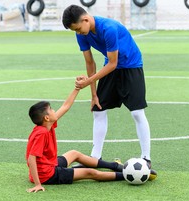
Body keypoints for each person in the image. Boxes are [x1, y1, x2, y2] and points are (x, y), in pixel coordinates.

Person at [62, 5, 157, 179]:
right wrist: (93, 94)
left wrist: (88, 81)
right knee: (98, 110)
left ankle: (146, 158)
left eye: (77, 28)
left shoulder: (109, 28)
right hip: (110, 69)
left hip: (131, 66)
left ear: (85, 19)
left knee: (137, 113)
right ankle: (94, 157)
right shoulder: (81, 34)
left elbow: (113, 63)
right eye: (74, 31)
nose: (78, 32)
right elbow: (90, 63)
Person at [26, 84, 125, 193]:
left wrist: (77, 88)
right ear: (46, 117)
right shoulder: (42, 133)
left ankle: (115, 166)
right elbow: (31, 159)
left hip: (50, 164)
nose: (54, 110)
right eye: (51, 109)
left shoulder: (47, 124)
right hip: (47, 175)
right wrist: (38, 184)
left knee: (74, 153)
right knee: (90, 173)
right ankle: (128, 174)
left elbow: (65, 106)